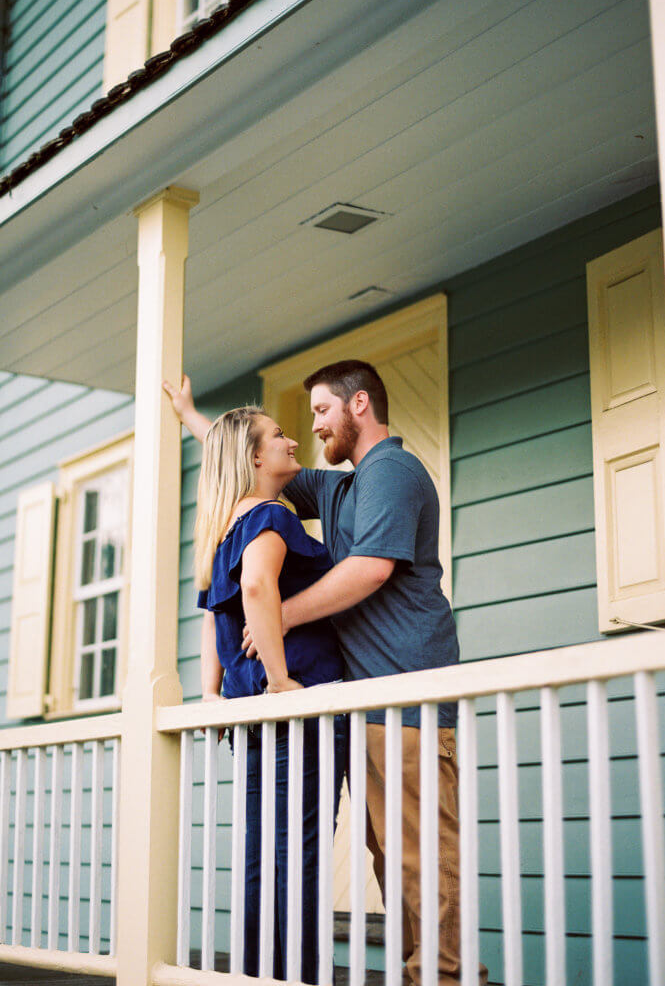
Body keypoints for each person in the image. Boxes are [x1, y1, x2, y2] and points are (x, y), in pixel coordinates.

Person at [165, 365, 487, 986]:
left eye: (319, 412)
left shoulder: (390, 471)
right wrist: (190, 419)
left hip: (408, 695)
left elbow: (369, 569)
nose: (310, 428)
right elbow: (243, 455)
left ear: (358, 405)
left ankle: (446, 978)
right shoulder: (337, 489)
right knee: (393, 861)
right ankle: (416, 975)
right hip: (367, 705)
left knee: (421, 859)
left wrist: (275, 619)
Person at [188, 404, 347, 984]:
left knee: (262, 853)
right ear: (256, 457)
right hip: (295, 710)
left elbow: (212, 618)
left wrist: (211, 694)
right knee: (300, 855)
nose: (290, 439)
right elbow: (256, 584)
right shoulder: (273, 518)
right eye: (279, 434)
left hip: (252, 717)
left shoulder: (224, 528)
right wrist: (281, 679)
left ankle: (258, 976)